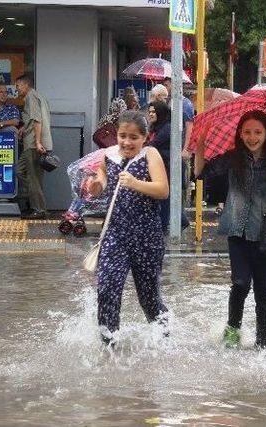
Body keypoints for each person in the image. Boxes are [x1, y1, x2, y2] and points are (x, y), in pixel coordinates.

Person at [194, 110, 266, 350]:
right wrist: (201, 141)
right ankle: (232, 332)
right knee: (240, 283)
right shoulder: (232, 158)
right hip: (237, 233)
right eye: (247, 132)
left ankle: (263, 343)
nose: (252, 137)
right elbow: (200, 172)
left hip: (265, 236)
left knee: (263, 292)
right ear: (240, 133)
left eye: (258, 132)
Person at [86, 110, 170, 347]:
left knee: (149, 297)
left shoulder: (150, 155)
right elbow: (101, 178)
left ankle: (162, 340)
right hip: (115, 234)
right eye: (122, 135)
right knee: (107, 288)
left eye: (133, 137)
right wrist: (96, 185)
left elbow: (163, 190)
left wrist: (135, 183)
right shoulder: (108, 155)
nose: (127, 142)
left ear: (145, 137)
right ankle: (109, 344)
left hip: (147, 236)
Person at [148, 100, 190, 231]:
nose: (150, 114)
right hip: (165, 166)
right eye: (149, 111)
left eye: (154, 111)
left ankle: (163, 225)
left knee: (166, 197)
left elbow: (152, 145)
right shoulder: (159, 126)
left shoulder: (167, 128)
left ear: (160, 112)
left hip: (170, 167)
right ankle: (181, 220)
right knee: (170, 196)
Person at [15, 74, 52, 220]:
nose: (16, 89)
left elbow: (37, 121)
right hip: (31, 143)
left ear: (25, 85)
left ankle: (39, 209)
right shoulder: (39, 97)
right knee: (21, 171)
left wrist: (37, 142)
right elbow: (34, 120)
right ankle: (37, 203)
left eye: (17, 86)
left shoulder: (31, 96)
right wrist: (24, 127)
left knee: (34, 178)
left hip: (33, 144)